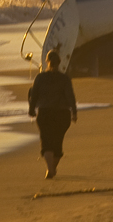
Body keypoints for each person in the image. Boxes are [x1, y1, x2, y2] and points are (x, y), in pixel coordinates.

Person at [28, 50, 77, 179]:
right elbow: (70, 96)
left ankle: (50, 169)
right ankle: (52, 168)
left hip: (45, 113)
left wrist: (31, 109)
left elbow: (34, 95)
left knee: (46, 142)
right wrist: (74, 113)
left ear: (47, 62)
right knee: (57, 142)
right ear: (59, 62)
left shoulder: (40, 78)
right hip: (62, 114)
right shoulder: (64, 79)